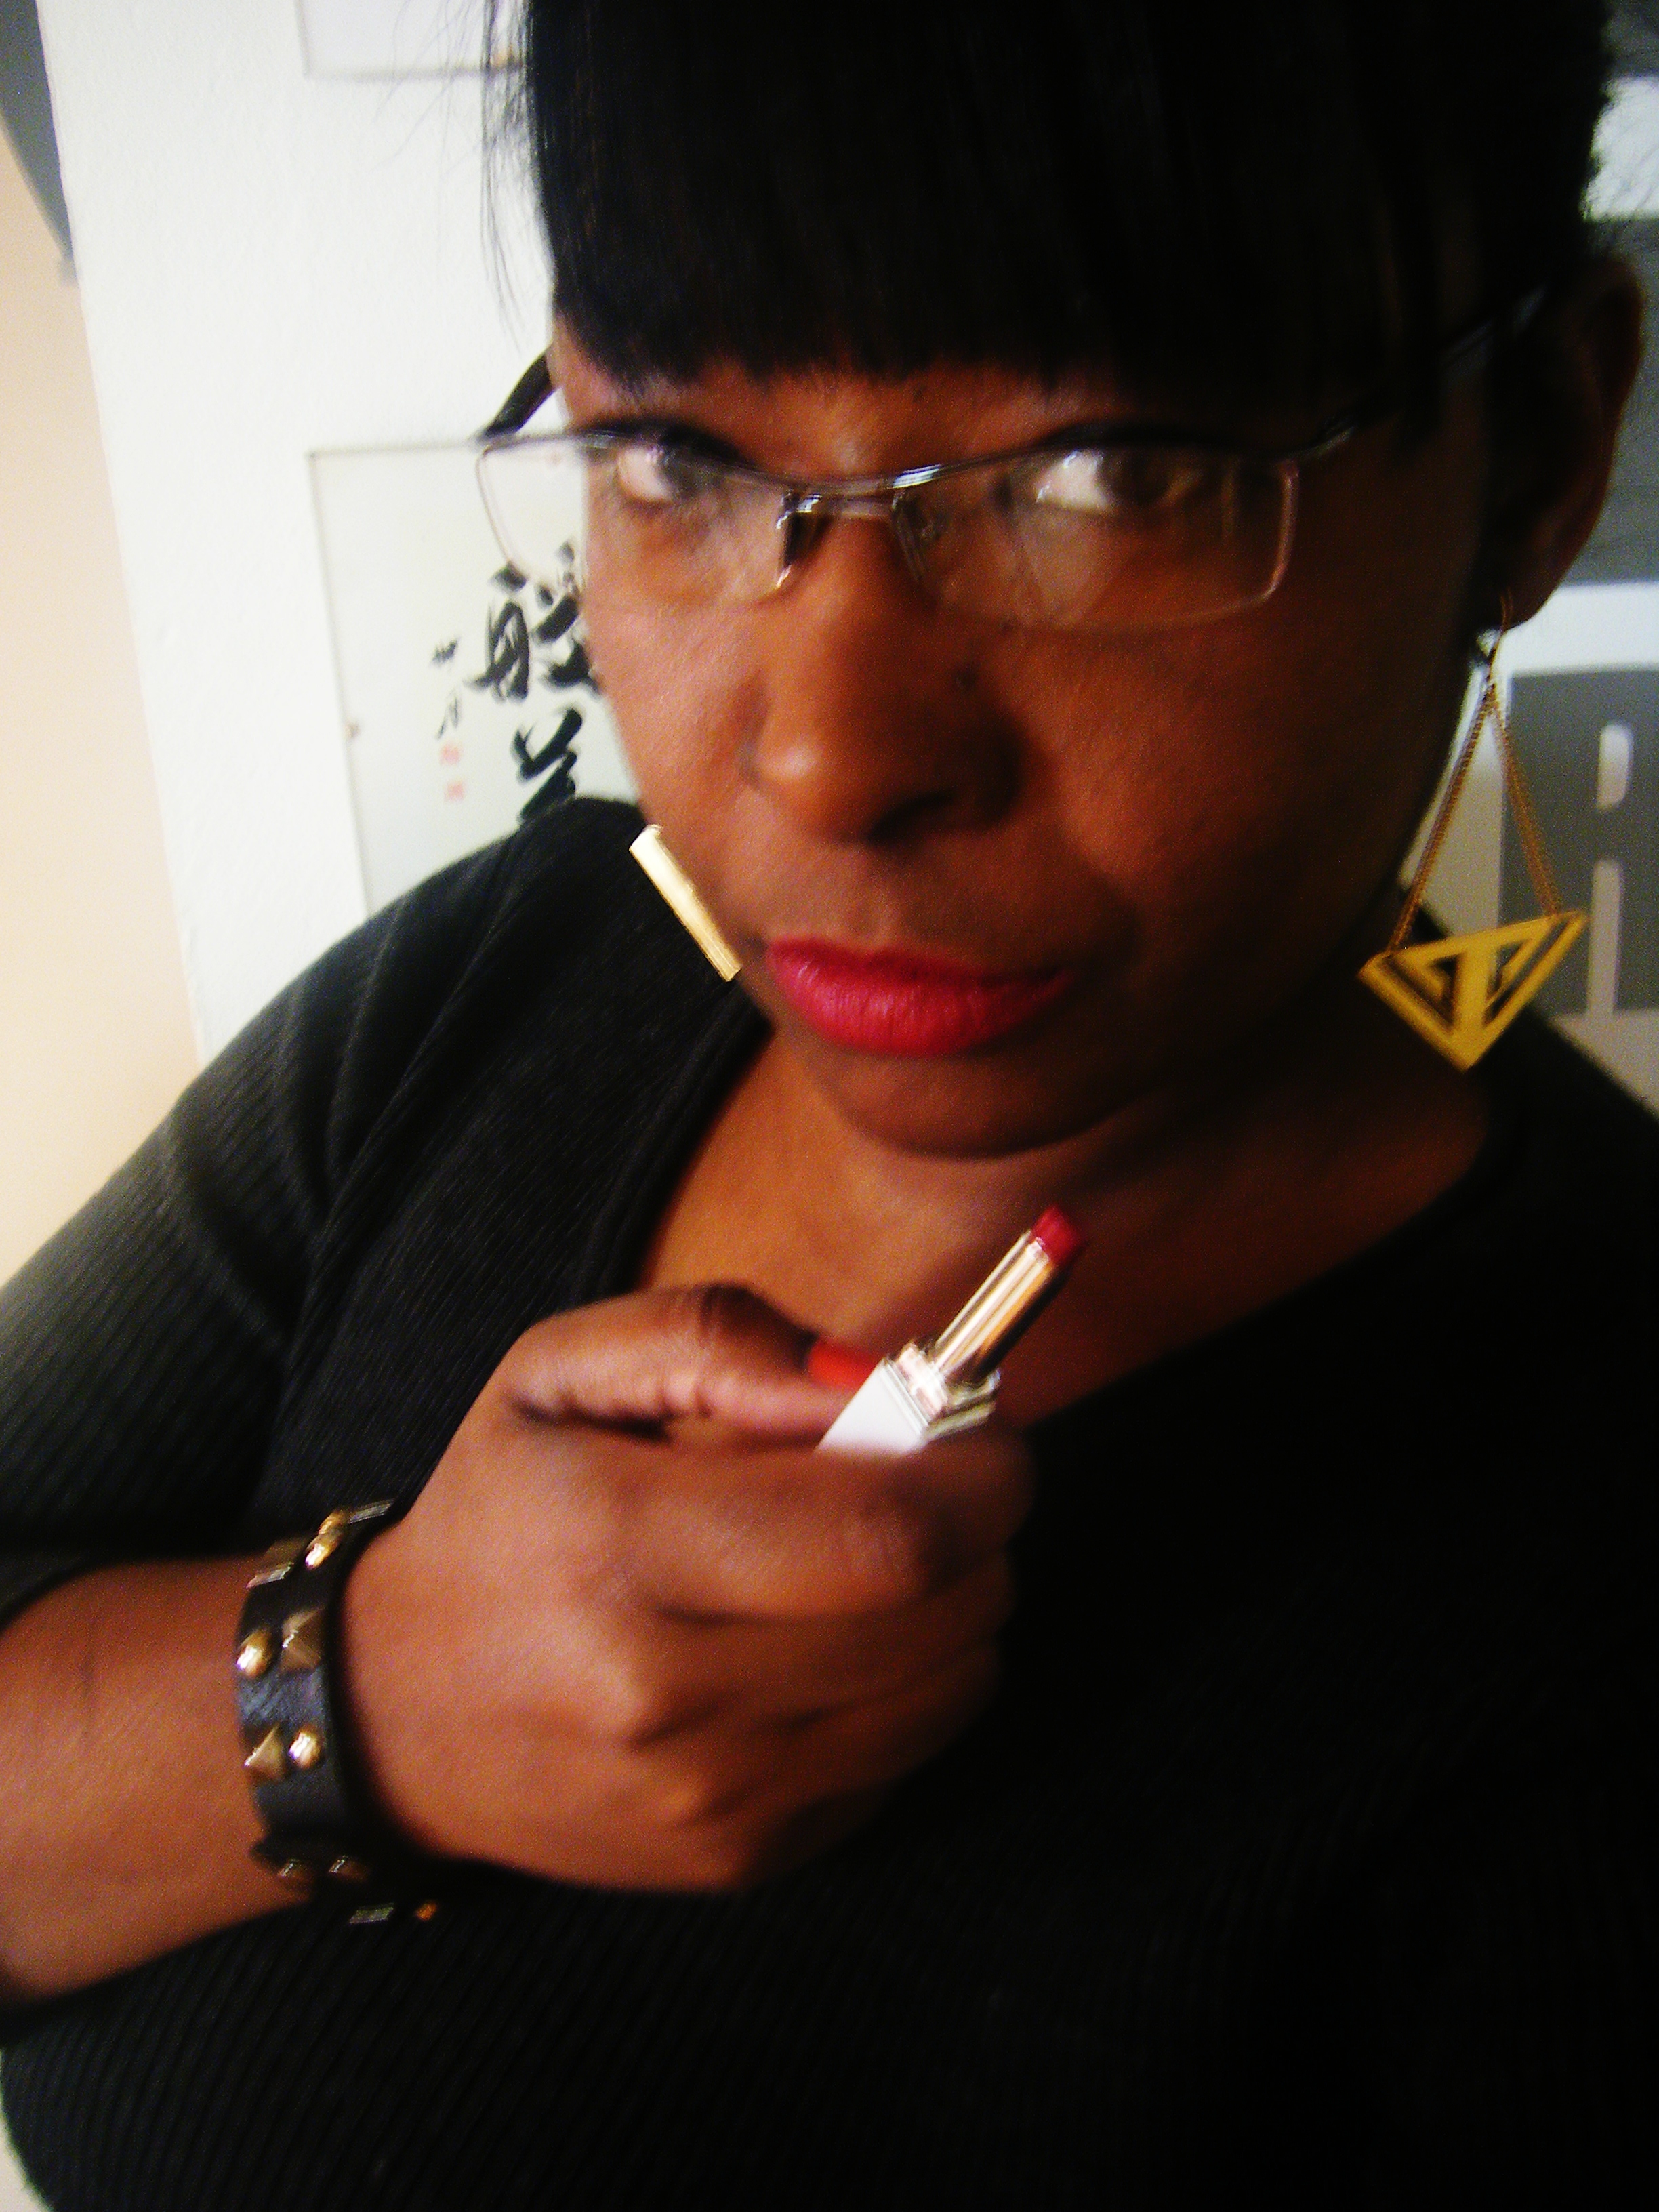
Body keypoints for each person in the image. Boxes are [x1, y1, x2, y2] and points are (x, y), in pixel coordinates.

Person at [1, 1, 1654, 2203]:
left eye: (1111, 477)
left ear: (1537, 455)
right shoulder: (489, 992)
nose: (827, 749)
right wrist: (359, 1703)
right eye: (678, 464)